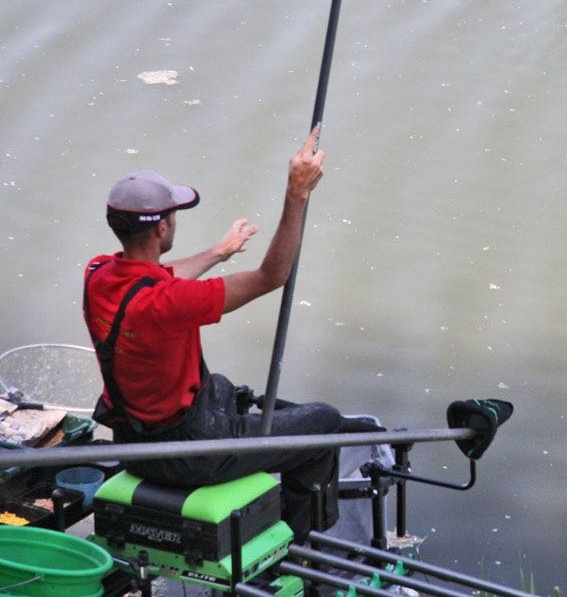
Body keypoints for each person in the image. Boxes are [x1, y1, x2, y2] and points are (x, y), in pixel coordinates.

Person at [82, 125, 377, 542]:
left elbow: (155, 279)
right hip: (185, 456)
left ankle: (263, 449)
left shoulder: (98, 274)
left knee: (220, 387)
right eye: (172, 215)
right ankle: (297, 549)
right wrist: (297, 195)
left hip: (133, 439)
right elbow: (271, 276)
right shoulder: (170, 302)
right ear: (162, 229)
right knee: (323, 423)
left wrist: (219, 253)